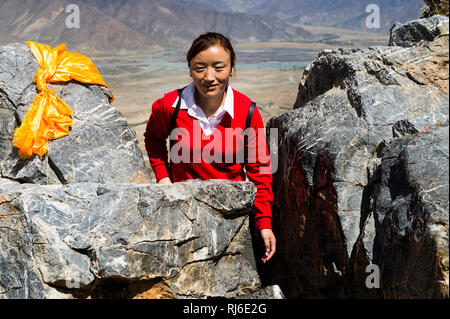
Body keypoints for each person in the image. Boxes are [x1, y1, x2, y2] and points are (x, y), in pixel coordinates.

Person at [144, 32, 276, 263]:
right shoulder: (169, 106)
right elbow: (153, 138)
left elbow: (260, 171)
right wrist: (163, 178)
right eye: (200, 68)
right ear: (190, 69)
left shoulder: (247, 113)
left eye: (218, 67)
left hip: (233, 217)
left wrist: (264, 222)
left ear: (232, 68)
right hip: (183, 212)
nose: (209, 77)